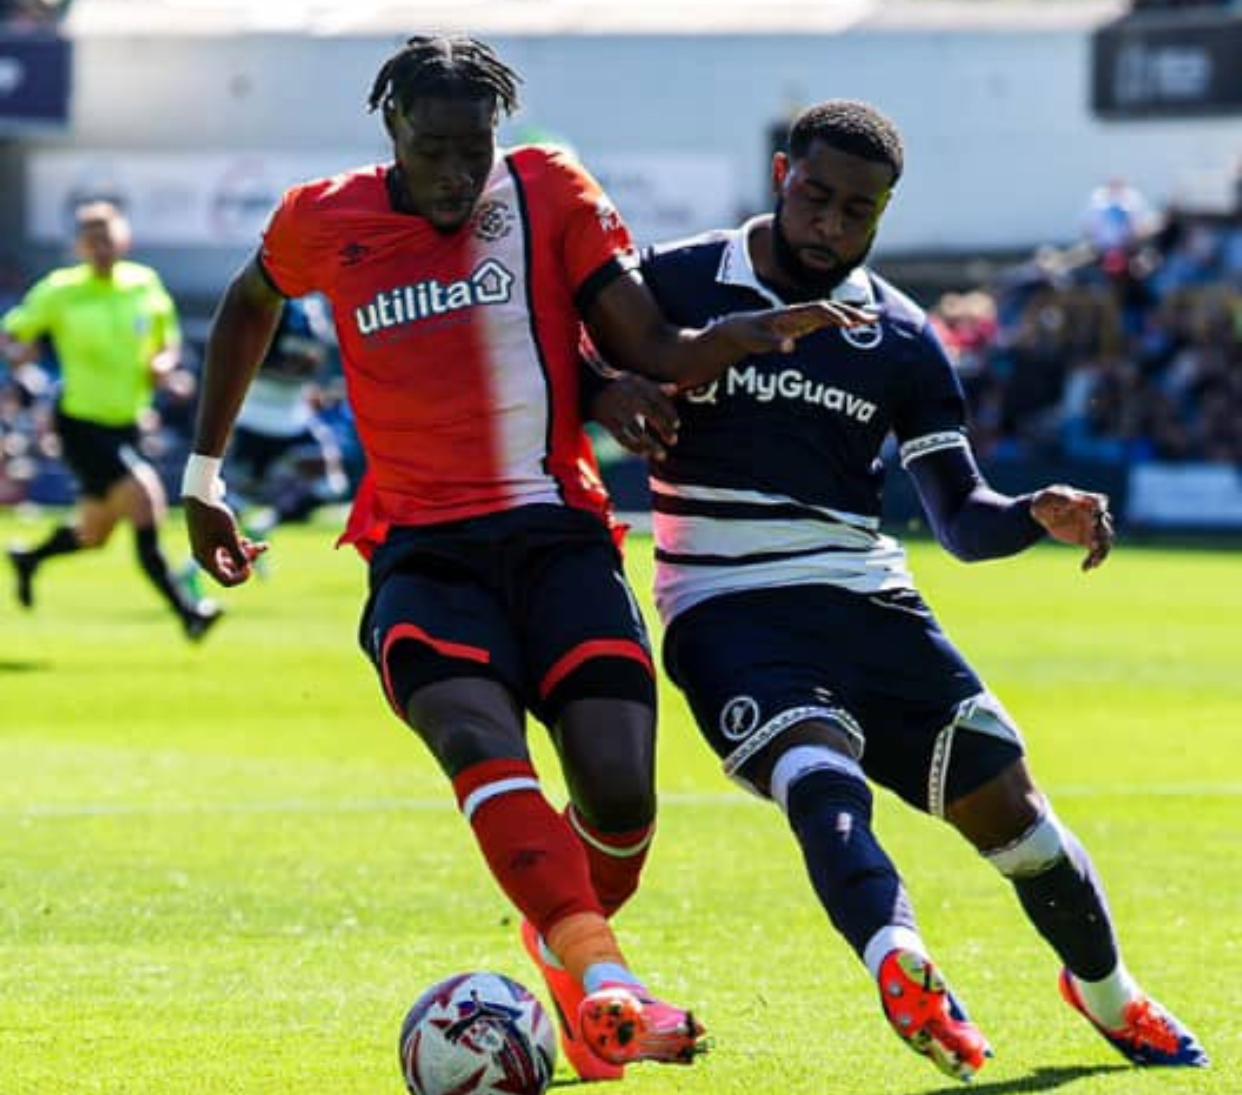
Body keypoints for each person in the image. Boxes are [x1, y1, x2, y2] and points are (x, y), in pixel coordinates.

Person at [178, 35, 872, 1081]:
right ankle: (605, 980)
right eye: (439, 150)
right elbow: (248, 304)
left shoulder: (547, 190)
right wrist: (202, 479)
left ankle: (560, 945)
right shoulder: (323, 218)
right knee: (471, 734)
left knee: (620, 793)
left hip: (559, 539)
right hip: (420, 547)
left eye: (478, 148)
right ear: (393, 130)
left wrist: (741, 336)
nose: (461, 174)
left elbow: (648, 346)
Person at [588, 100, 1209, 1082]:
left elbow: (960, 518)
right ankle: (903, 963)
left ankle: (1111, 996)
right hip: (725, 607)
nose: (830, 226)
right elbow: (567, 360)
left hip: (869, 600)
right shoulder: (675, 279)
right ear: (783, 174)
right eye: (816, 198)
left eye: (857, 211)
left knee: (1021, 823)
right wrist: (603, 392)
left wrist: (1030, 513)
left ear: (885, 213)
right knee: (816, 778)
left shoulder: (905, 337)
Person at [1, 201, 221, 640]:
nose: (101, 247)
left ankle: (28, 558)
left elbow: (168, 340)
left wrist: (163, 364)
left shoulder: (143, 284)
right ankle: (188, 611)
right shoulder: (60, 290)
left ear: (123, 239)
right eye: (92, 240)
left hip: (129, 422)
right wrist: (21, 352)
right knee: (146, 499)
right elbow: (15, 332)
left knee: (95, 532)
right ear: (79, 246)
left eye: (108, 237)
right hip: (80, 423)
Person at [178, 295, 348, 596]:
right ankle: (192, 568)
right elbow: (255, 353)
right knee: (232, 505)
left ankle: (267, 521)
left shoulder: (313, 308)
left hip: (294, 417)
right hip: (257, 417)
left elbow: (307, 361)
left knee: (329, 485)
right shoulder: (277, 304)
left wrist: (309, 387)